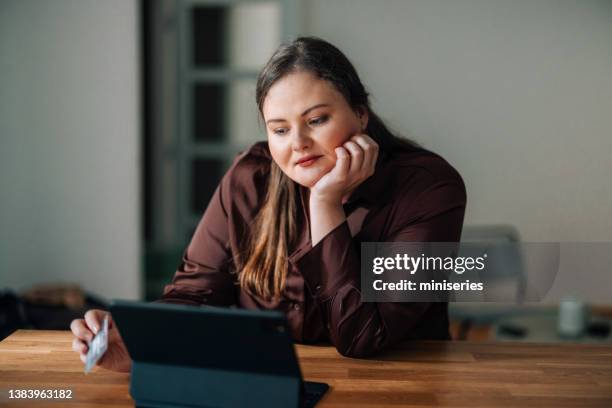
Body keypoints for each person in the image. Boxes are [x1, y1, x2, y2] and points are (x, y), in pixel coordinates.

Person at [70, 37, 466, 372]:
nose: (297, 144)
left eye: (317, 120)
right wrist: (139, 341)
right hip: (270, 384)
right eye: (279, 129)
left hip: (399, 387)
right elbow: (194, 295)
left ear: (360, 114)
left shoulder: (429, 188)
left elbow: (365, 338)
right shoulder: (251, 176)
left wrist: (325, 203)